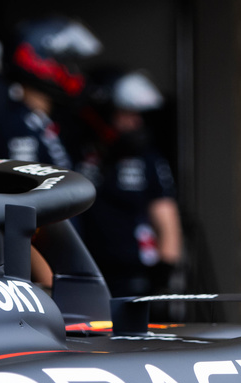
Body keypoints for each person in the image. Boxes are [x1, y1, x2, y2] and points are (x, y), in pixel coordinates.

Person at [76, 70, 182, 297]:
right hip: (83, 271)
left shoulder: (148, 159)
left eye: (138, 115)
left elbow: (166, 219)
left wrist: (163, 276)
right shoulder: (79, 152)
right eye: (127, 113)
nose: (135, 122)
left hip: (133, 275)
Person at [0, 17, 101, 170]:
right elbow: (23, 188)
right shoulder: (20, 127)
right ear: (35, 61)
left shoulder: (43, 121)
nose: (73, 72)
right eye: (65, 63)